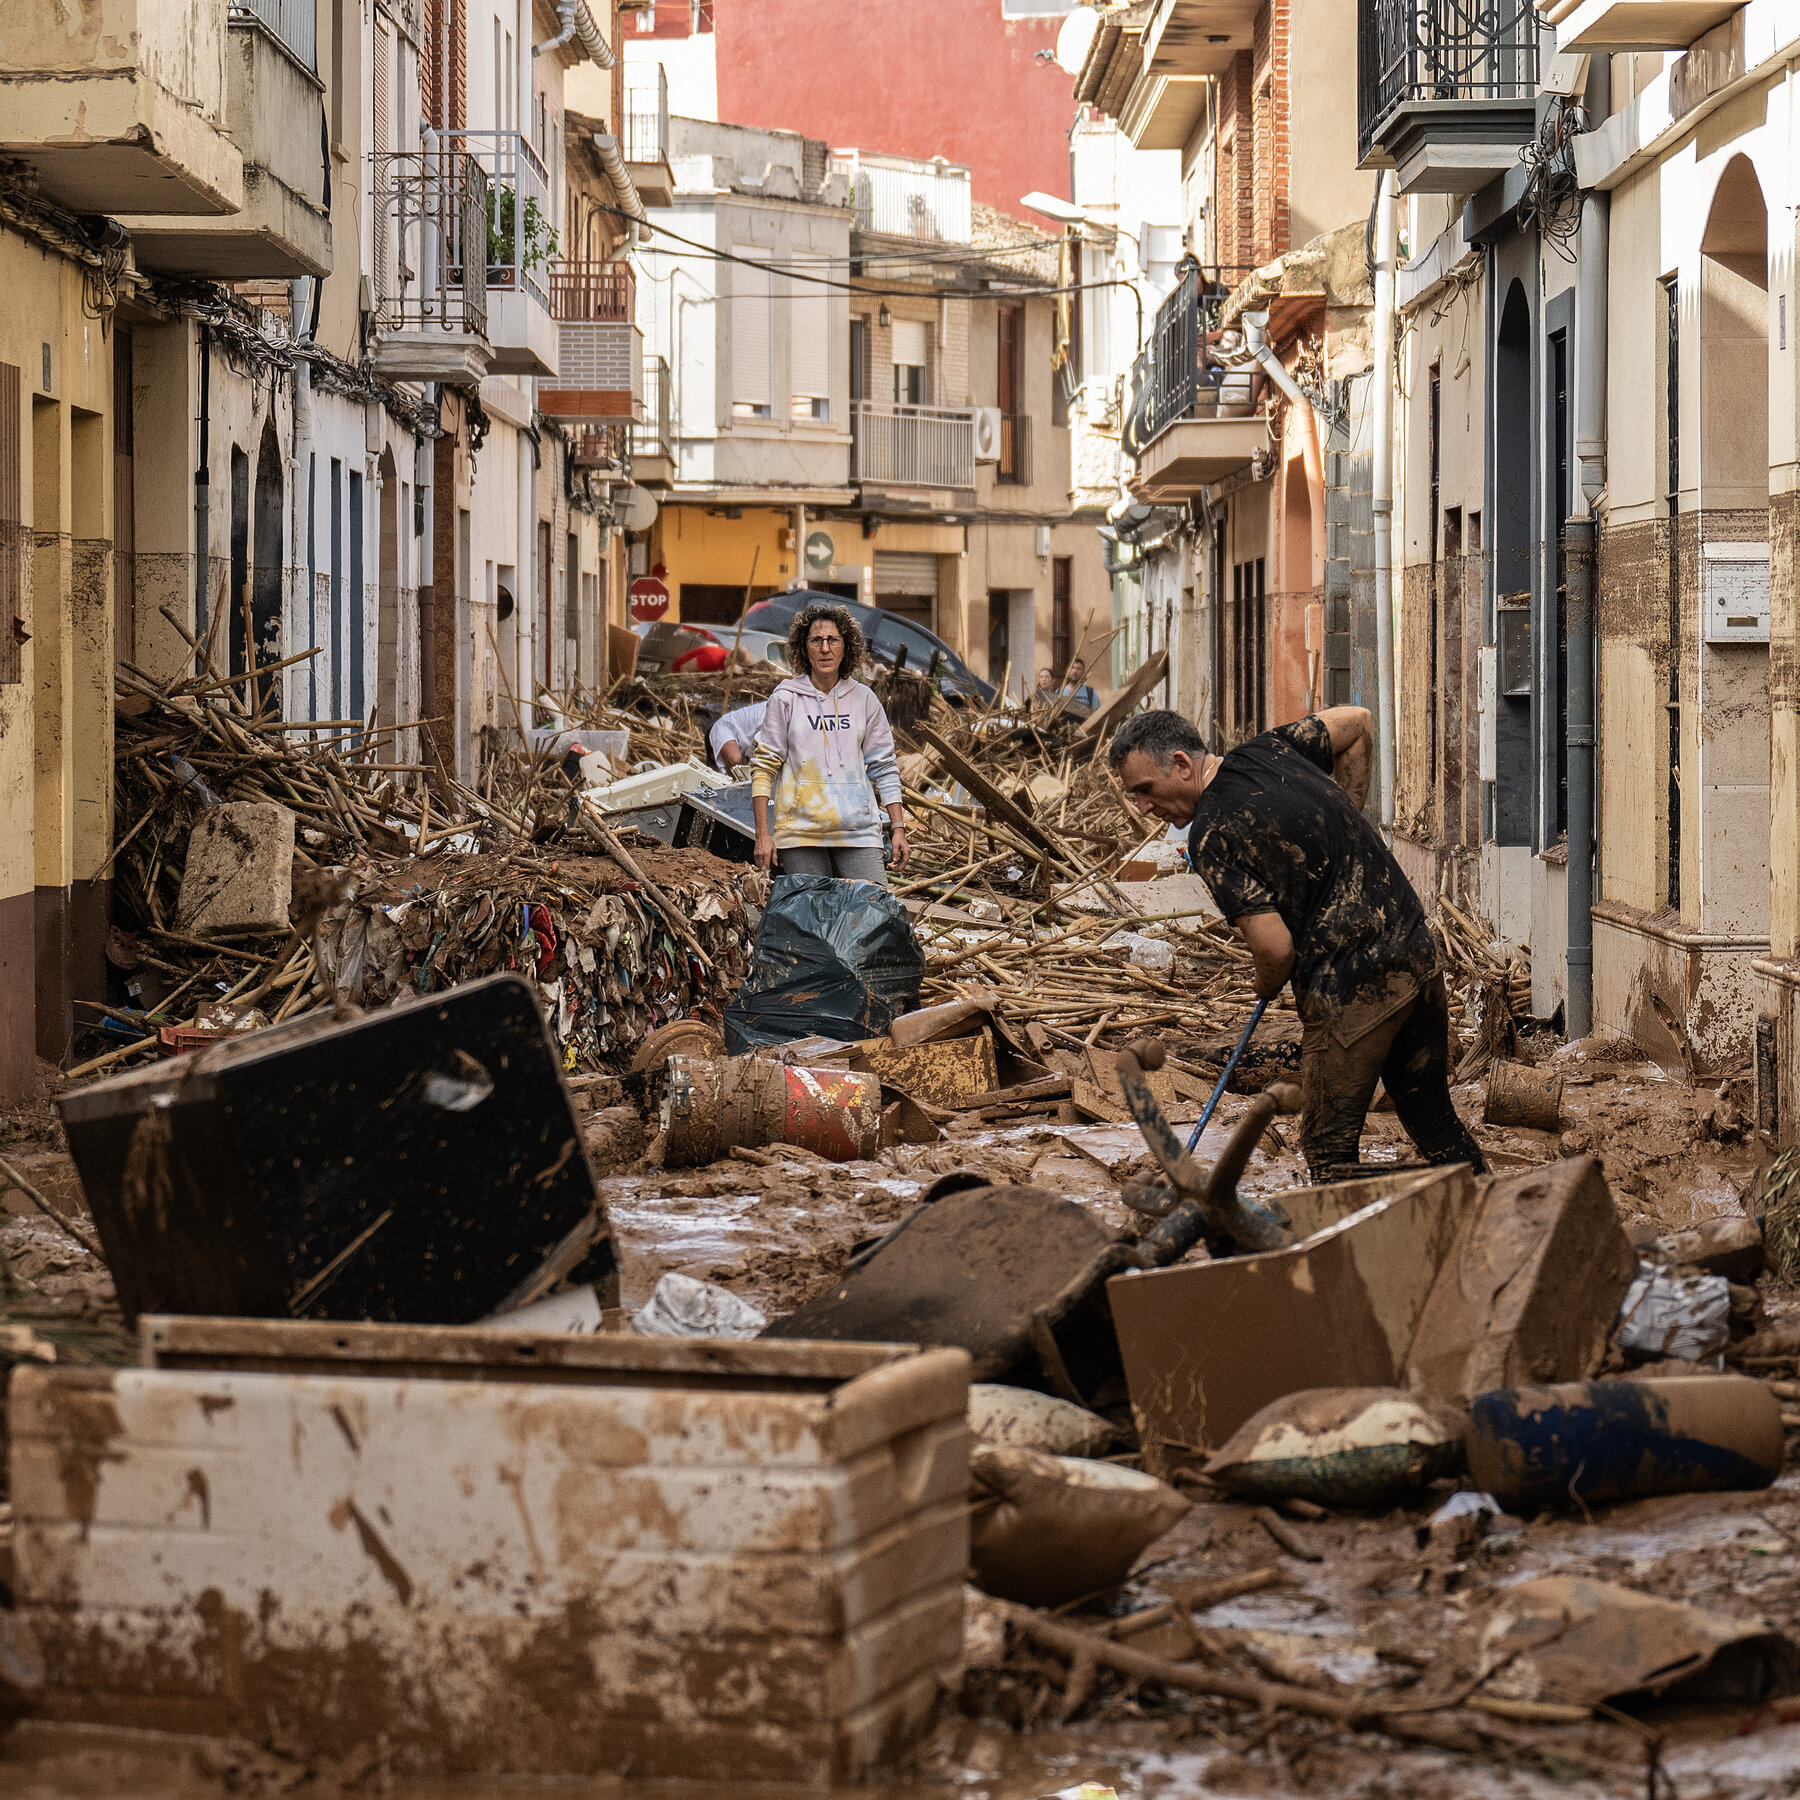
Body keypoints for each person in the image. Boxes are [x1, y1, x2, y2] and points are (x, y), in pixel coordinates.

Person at [1109, 707, 1486, 1183]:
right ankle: (1498, 1222)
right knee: (1432, 1117)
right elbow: (1357, 722)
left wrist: (1265, 982)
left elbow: (1276, 950)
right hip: (1417, 956)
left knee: (1327, 1151)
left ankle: (1352, 1254)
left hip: (1353, 991)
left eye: (1144, 790)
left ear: (1182, 765)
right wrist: (1348, 820)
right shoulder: (1271, 749)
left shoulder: (1210, 834)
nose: (1143, 806)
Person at [750, 603, 910, 885]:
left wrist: (898, 828)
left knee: (872, 913)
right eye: (816, 640)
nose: (825, 648)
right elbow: (764, 767)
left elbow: (884, 767)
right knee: (812, 921)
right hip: (800, 832)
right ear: (804, 648)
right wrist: (763, 834)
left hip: (858, 831)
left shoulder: (864, 699)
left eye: (833, 640)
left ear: (846, 646)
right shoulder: (785, 698)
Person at [708, 700, 767, 775]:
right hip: (726, 727)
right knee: (735, 763)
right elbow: (759, 741)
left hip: (748, 744)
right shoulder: (775, 710)